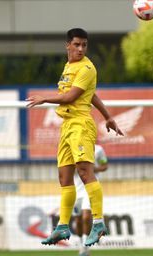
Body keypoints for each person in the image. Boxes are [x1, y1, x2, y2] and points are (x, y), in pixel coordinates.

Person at [26, 28, 123, 246]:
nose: (80, 49)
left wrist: (44, 99)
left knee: (85, 172)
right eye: (77, 44)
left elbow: (71, 97)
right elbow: (92, 94)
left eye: (84, 45)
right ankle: (62, 226)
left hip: (81, 125)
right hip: (67, 126)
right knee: (64, 178)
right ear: (68, 45)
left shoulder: (87, 67)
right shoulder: (69, 66)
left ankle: (98, 222)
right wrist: (108, 116)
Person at [73, 144, 108, 256]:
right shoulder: (72, 147)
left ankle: (84, 247)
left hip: (91, 187)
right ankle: (81, 245)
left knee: (87, 216)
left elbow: (104, 165)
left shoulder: (98, 149)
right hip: (76, 190)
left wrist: (93, 169)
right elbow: (65, 167)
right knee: (78, 220)